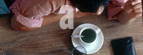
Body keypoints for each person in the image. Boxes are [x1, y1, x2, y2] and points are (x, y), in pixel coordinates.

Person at [9, 0, 142, 31]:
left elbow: (120, 16)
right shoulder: (46, 2)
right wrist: (70, 15)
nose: (98, 14)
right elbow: (18, 24)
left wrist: (128, 14)